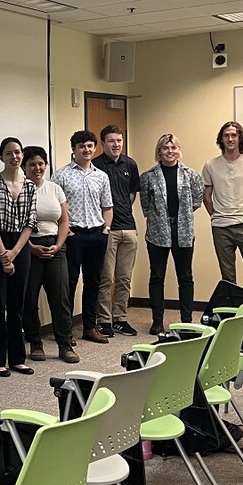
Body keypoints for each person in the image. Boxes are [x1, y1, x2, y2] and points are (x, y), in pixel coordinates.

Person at [52, 130, 113, 345]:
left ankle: (89, 326)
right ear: (74, 149)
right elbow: (54, 207)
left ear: (94, 148)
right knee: (68, 283)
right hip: (73, 235)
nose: (86, 150)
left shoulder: (101, 176)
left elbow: (107, 206)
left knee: (93, 282)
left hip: (97, 235)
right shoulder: (60, 176)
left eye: (90, 146)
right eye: (82, 146)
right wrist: (65, 231)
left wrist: (106, 229)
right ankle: (65, 330)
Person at [140, 133, 204, 335]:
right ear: (159, 152)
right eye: (165, 148)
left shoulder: (191, 175)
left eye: (173, 148)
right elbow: (145, 205)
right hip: (157, 232)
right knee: (157, 277)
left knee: (185, 276)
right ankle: (157, 321)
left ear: (179, 150)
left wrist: (179, 218)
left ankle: (186, 320)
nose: (170, 151)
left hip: (183, 232)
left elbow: (196, 201)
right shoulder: (148, 176)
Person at [21, 146, 78, 364]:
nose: (37, 168)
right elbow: (17, 224)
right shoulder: (21, 189)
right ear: (24, 167)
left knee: (60, 298)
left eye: (41, 163)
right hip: (29, 247)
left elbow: (64, 221)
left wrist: (58, 245)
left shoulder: (55, 189)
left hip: (56, 246)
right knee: (29, 298)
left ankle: (65, 344)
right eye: (32, 164)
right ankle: (35, 343)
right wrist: (30, 247)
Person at [0, 137, 37, 377]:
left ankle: (17, 357)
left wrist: (15, 252)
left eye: (17, 152)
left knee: (18, 304)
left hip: (21, 246)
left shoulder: (29, 185)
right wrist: (3, 254)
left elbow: (30, 221)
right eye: (9, 153)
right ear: (1, 157)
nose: (14, 157)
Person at [202, 121, 243, 285]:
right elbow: (207, 196)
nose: (230, 139)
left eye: (234, 135)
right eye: (226, 135)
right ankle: (233, 309)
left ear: (240, 138)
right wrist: (217, 215)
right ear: (221, 139)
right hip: (221, 227)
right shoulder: (210, 165)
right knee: (228, 277)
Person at [92, 124, 140, 338]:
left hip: (128, 228)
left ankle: (120, 318)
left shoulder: (130, 163)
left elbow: (131, 195)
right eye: (111, 141)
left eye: (119, 140)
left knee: (124, 278)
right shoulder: (95, 165)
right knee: (106, 277)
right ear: (103, 143)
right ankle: (104, 320)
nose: (116, 144)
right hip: (106, 229)